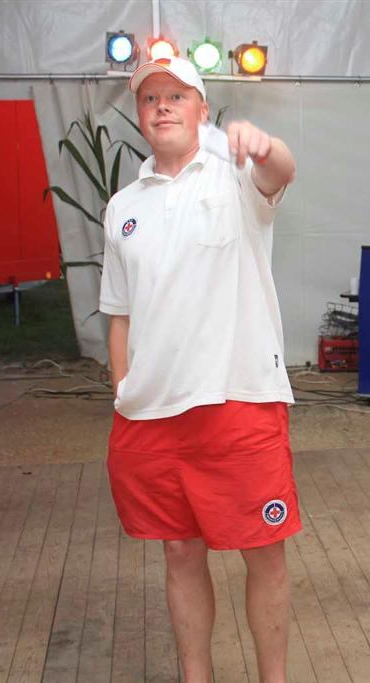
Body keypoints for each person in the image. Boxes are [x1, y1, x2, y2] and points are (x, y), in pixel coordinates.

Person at [99, 56, 299, 683]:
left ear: (202, 110)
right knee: (180, 553)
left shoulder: (236, 178)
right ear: (140, 115)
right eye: (150, 97)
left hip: (238, 402)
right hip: (152, 416)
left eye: (177, 95)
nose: (162, 106)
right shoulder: (123, 206)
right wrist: (122, 387)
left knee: (264, 554)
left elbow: (282, 170)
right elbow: (119, 312)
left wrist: (264, 146)